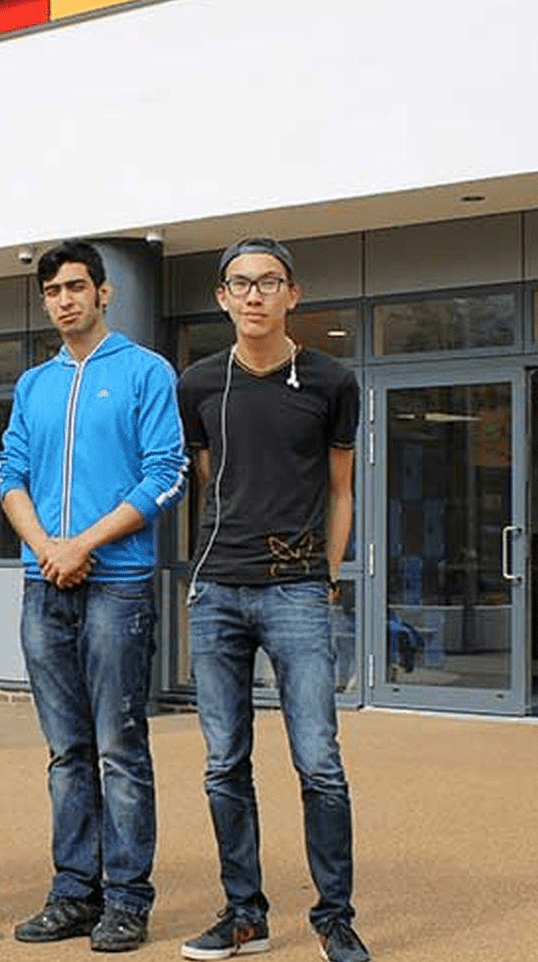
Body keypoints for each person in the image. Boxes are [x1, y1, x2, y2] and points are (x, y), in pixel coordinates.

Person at [175, 236, 369, 962]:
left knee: (319, 761)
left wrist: (325, 576)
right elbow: (209, 474)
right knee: (224, 761)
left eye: (268, 282)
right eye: (240, 283)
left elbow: (341, 490)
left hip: (297, 591)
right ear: (222, 297)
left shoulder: (331, 380)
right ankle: (244, 914)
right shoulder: (198, 383)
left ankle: (335, 918)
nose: (254, 294)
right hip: (217, 589)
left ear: (294, 293)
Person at [0, 240, 187, 953]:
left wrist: (84, 544)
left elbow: (165, 474)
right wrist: (47, 547)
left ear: (103, 292)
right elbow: (10, 472)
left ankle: (128, 899)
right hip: (43, 582)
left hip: (118, 583)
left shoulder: (146, 371)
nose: (65, 300)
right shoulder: (34, 384)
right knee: (65, 750)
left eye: (76, 286)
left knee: (119, 747)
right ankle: (74, 893)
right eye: (53, 291)